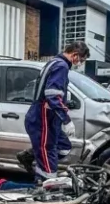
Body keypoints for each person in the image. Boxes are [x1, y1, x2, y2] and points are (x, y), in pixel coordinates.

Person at [24, 41, 90, 182]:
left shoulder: (54, 62)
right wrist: (66, 119)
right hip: (43, 118)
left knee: (64, 147)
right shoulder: (61, 66)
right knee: (48, 155)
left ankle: (30, 156)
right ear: (75, 55)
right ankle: (43, 187)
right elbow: (53, 94)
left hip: (46, 117)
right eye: (82, 60)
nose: (80, 63)